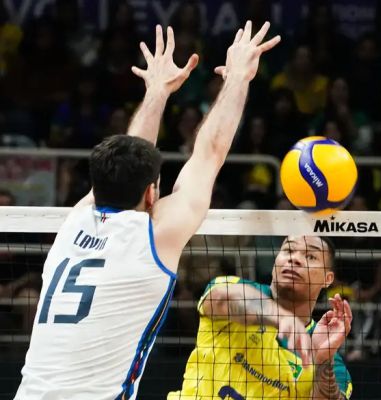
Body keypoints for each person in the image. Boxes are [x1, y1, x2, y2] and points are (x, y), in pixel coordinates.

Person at [15, 21, 282, 399]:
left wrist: (156, 90)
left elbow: (129, 156)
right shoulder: (153, 237)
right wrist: (239, 77)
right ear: (152, 194)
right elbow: (209, 153)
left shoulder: (74, 220)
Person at [169, 235, 353, 399]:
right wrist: (282, 317)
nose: (294, 259)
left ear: (327, 279)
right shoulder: (234, 288)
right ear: (275, 263)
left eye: (310, 256)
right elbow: (221, 298)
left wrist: (322, 360)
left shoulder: (331, 361)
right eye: (288, 250)